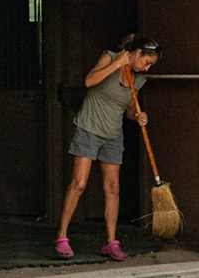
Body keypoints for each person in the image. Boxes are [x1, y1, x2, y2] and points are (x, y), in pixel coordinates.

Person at [54, 34, 161, 260]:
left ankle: (111, 242)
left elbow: (130, 109)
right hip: (89, 128)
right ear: (137, 53)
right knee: (79, 183)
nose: (147, 67)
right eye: (146, 62)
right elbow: (89, 81)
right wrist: (117, 65)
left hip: (113, 136)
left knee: (112, 188)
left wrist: (138, 116)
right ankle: (62, 236)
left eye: (150, 65)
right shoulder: (109, 57)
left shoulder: (139, 80)